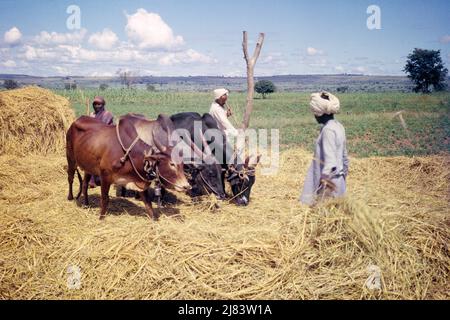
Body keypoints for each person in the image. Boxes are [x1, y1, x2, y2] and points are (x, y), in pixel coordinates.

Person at [300, 91, 349, 205]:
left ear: (319, 113)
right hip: (339, 180)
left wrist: (323, 181)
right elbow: (345, 157)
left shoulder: (327, 130)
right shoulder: (338, 126)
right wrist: (343, 177)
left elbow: (330, 161)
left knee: (324, 215)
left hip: (329, 183)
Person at [89, 96, 114, 188]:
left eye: (99, 104)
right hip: (93, 139)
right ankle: (92, 180)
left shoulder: (108, 114)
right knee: (92, 159)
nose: (96, 106)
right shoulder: (92, 114)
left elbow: (104, 127)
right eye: (95, 104)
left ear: (103, 105)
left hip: (106, 139)